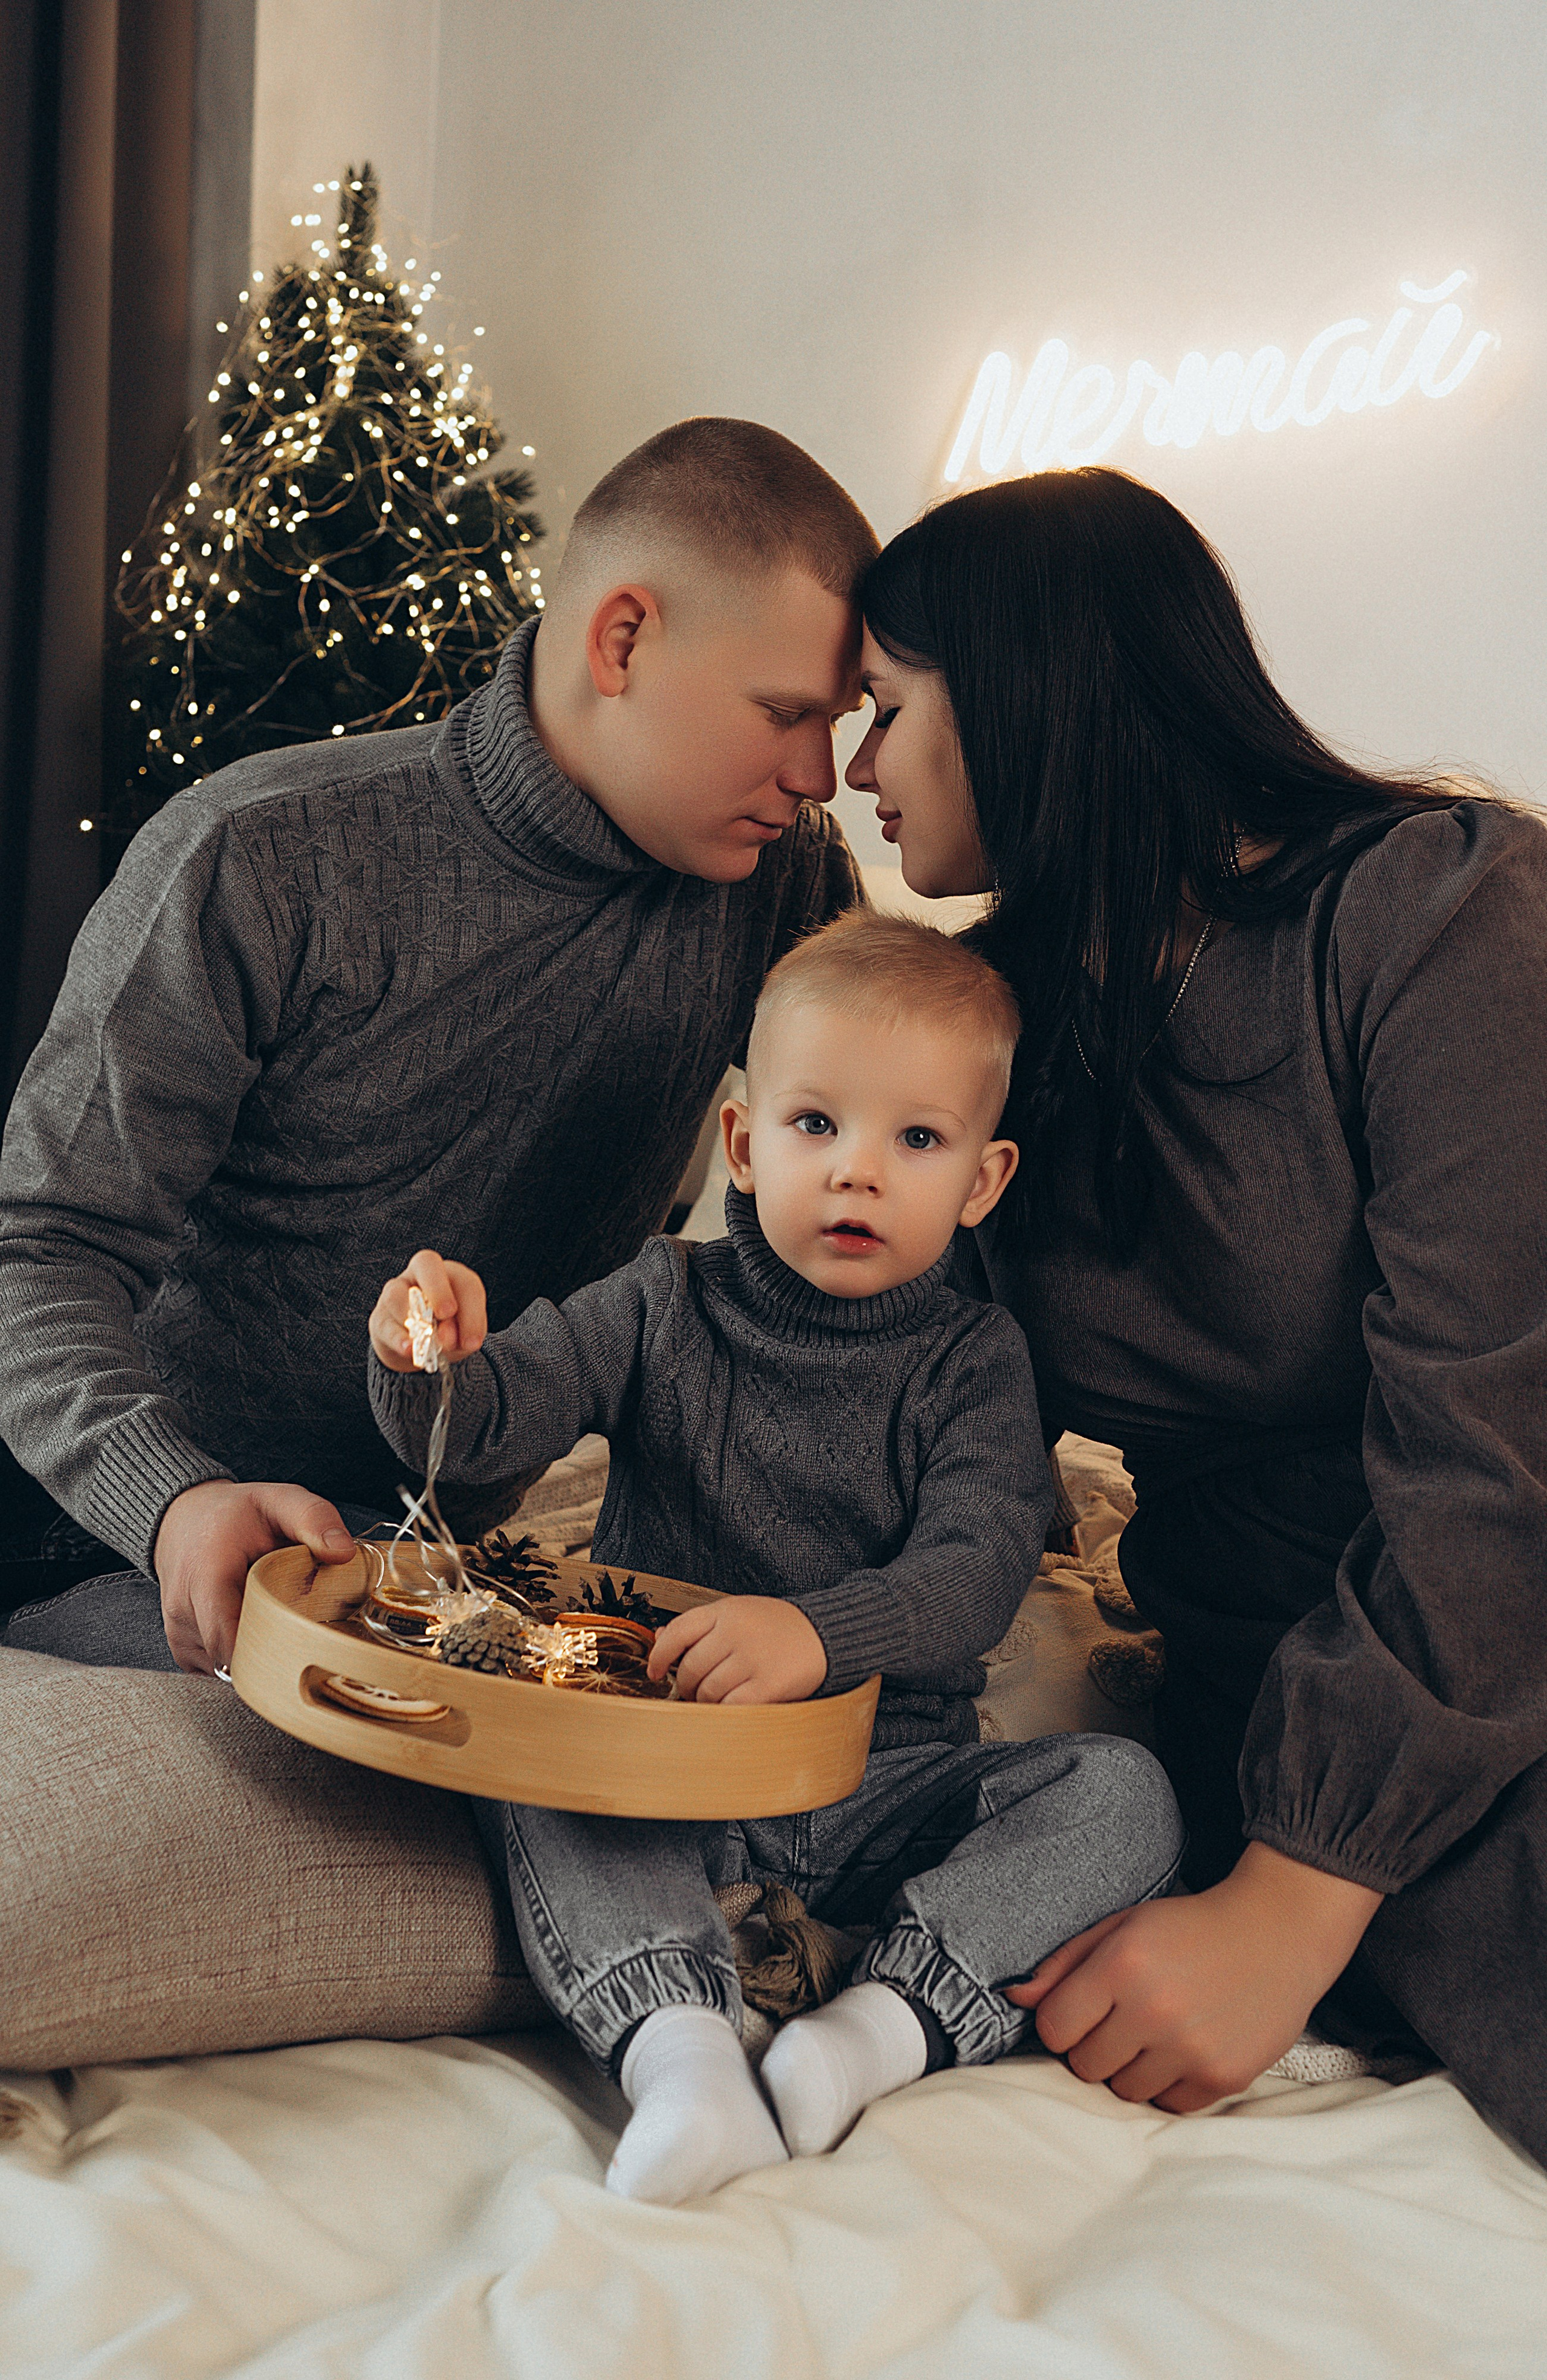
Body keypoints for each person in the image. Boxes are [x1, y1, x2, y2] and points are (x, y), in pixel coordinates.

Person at [843, 466, 1547, 2165]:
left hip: (1493, 1624)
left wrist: (1295, 1895)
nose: (852, 770)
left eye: (882, 707)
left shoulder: (1435, 909)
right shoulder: (1000, 1029)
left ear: (1017, 686)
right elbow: (910, 1416)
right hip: (1261, 1688)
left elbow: (1500, 1444)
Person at [0, 418, 873, 1675]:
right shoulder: (256, 856)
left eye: (841, 721)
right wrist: (171, 1498)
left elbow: (908, 1163)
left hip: (441, 1562)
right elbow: (37, 1248)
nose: (820, 774)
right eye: (786, 712)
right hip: (124, 1535)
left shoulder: (782, 887)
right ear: (623, 639)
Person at [367, 911, 1184, 2204]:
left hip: (881, 1781)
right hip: (660, 1767)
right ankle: (681, 2055)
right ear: (744, 1145)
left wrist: (815, 1633)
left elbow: (977, 1568)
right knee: (534, 1761)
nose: (858, 1172)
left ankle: (874, 2032)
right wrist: (432, 1357)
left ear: (981, 1182)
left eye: (916, 1140)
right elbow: (489, 1423)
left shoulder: (973, 1359)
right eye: (816, 1124)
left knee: (1126, 1792)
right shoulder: (660, 1299)